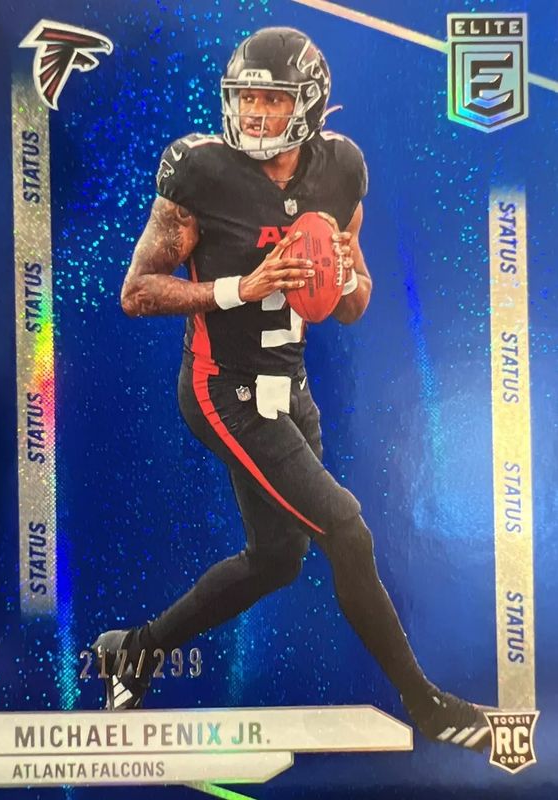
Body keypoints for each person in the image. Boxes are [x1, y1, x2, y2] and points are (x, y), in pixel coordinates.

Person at [93, 27, 492, 752]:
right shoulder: (200, 172)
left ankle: (137, 649)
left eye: (271, 100)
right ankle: (425, 704)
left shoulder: (341, 170)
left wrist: (344, 274)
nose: (253, 113)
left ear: (306, 103)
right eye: (245, 98)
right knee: (347, 529)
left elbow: (353, 302)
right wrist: (235, 288)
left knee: (277, 560)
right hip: (221, 388)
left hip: (290, 385)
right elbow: (136, 291)